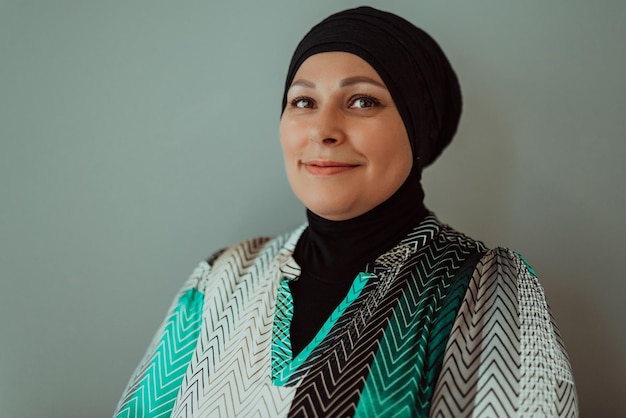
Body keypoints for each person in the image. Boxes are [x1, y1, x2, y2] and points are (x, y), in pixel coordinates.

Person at [114, 6, 577, 417]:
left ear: (416, 129)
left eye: (362, 101)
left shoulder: (484, 288)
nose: (323, 129)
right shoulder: (222, 277)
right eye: (303, 101)